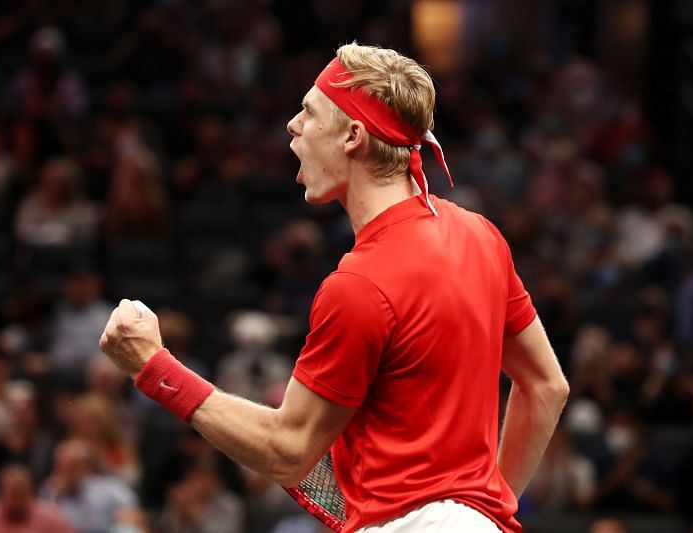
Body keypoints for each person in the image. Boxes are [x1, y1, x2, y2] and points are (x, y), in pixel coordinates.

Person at [100, 43, 569, 532]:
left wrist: (154, 368)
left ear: (352, 136)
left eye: (308, 111)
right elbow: (546, 385)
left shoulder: (359, 285)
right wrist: (485, 511)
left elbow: (287, 451)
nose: (292, 125)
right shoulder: (480, 235)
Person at [0, 464, 74, 533]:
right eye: (12, 493)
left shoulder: (52, 518)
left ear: (32, 493)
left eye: (21, 492)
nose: (16, 499)